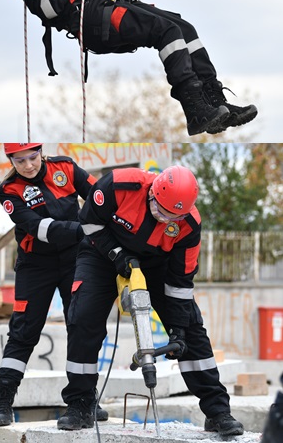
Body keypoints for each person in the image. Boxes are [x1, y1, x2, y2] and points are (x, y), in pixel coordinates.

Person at [13, 0, 257, 137]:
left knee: (185, 28)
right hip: (97, 22)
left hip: (116, 5)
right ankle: (194, 107)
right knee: (167, 32)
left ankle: (214, 100)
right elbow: (48, 10)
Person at [59, 165, 243, 435]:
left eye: (173, 216)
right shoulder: (120, 185)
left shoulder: (189, 225)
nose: (165, 218)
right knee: (83, 317)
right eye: (161, 210)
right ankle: (80, 404)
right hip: (102, 253)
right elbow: (89, 222)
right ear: (152, 192)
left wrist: (177, 329)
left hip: (157, 264)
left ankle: (218, 412)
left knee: (191, 330)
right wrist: (117, 255)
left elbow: (181, 282)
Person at [0, 144, 101, 426]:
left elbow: (100, 199)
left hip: (76, 258)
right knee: (24, 330)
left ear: (41, 152)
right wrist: (84, 229)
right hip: (35, 263)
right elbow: (39, 229)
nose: (28, 165)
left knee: (80, 324)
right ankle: (3, 402)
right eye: (19, 160)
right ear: (10, 161)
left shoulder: (65, 168)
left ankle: (85, 399)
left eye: (32, 158)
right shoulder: (9, 190)